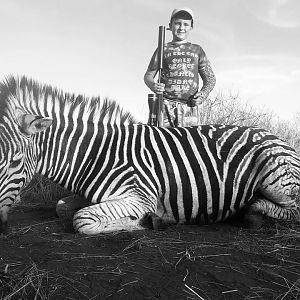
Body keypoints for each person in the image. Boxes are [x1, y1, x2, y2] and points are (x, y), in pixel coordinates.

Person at [144, 8, 216, 127]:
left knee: (190, 144)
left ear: (191, 27)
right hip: (165, 107)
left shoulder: (197, 50)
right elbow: (148, 75)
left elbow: (210, 79)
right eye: (177, 23)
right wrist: (154, 86)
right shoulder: (163, 49)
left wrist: (202, 95)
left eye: (186, 24)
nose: (181, 27)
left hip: (190, 109)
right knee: (163, 142)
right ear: (170, 26)